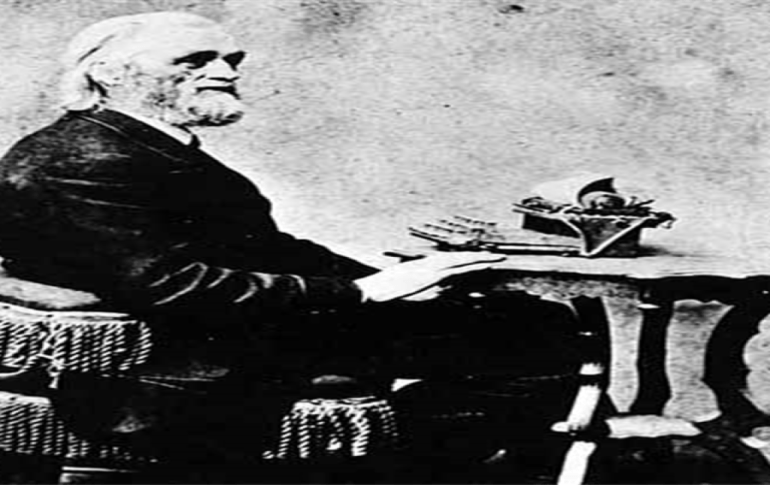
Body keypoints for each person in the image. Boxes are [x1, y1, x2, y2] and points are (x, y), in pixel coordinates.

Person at [0, 11, 591, 483]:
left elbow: (263, 248)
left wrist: (406, 281)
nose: (224, 72)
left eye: (231, 60)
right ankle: (387, 471)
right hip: (185, 361)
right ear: (109, 73)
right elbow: (175, 285)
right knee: (535, 337)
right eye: (194, 60)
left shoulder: (126, 144)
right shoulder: (85, 159)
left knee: (522, 320)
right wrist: (363, 293)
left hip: (229, 329)